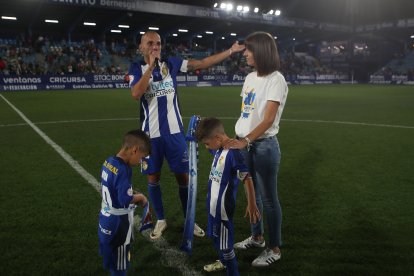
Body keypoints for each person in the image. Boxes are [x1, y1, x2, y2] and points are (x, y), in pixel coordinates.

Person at [128, 31, 245, 240]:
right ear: (141, 47)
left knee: (183, 177)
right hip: (150, 136)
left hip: (175, 135)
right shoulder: (136, 68)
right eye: (150, 43)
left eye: (158, 43)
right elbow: (136, 93)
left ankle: (189, 220)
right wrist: (151, 68)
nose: (155, 46)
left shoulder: (171, 64)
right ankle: (161, 220)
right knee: (153, 177)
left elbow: (201, 63)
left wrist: (230, 51)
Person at [225, 32, 288, 267]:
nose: (245, 53)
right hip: (244, 142)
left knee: (269, 199)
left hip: (262, 146)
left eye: (249, 50)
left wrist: (247, 140)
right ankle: (257, 237)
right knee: (252, 195)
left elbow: (268, 119)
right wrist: (238, 135)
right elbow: (247, 113)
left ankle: (274, 248)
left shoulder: (276, 79)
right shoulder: (250, 77)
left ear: (261, 51)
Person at [195, 117, 260, 275]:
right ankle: (223, 262)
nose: (206, 147)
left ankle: (232, 270)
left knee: (226, 246)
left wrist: (252, 204)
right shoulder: (219, 148)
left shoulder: (233, 153)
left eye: (207, 143)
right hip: (212, 206)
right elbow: (210, 144)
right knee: (216, 239)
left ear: (217, 138)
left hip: (223, 211)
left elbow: (247, 178)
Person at [98, 129, 151, 276]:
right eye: (141, 157)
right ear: (135, 150)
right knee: (120, 267)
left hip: (105, 218)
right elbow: (125, 200)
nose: (141, 162)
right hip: (118, 225)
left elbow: (114, 189)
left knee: (110, 258)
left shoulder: (108, 161)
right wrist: (141, 198)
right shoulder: (123, 170)